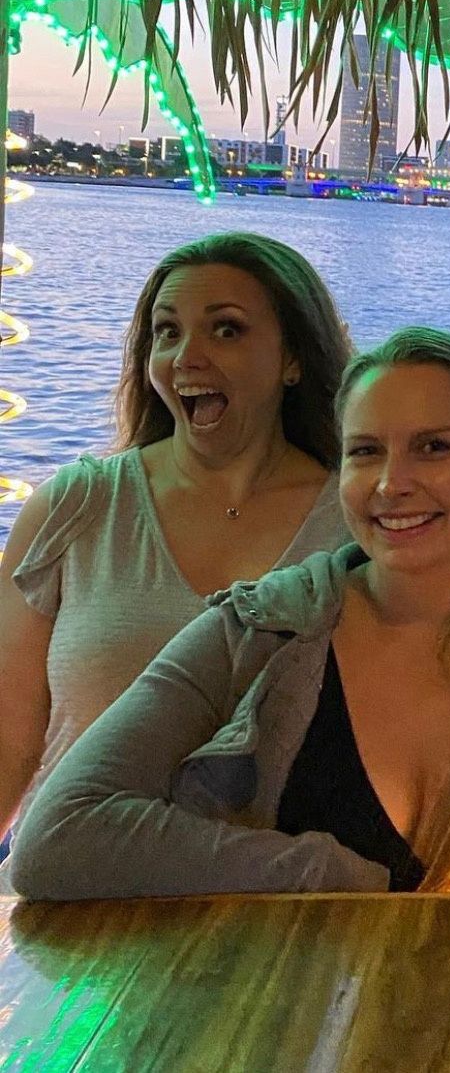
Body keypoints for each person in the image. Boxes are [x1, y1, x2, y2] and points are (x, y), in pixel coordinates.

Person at [10, 328, 450, 899]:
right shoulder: (259, 632)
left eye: (433, 447)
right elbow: (56, 837)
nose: (390, 483)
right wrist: (325, 876)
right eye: (366, 451)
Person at [0, 232, 351, 841]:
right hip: (72, 905)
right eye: (168, 332)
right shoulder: (76, 507)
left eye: (226, 330)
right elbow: (9, 741)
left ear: (293, 359)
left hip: (270, 911)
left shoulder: (353, 526)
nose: (186, 357)